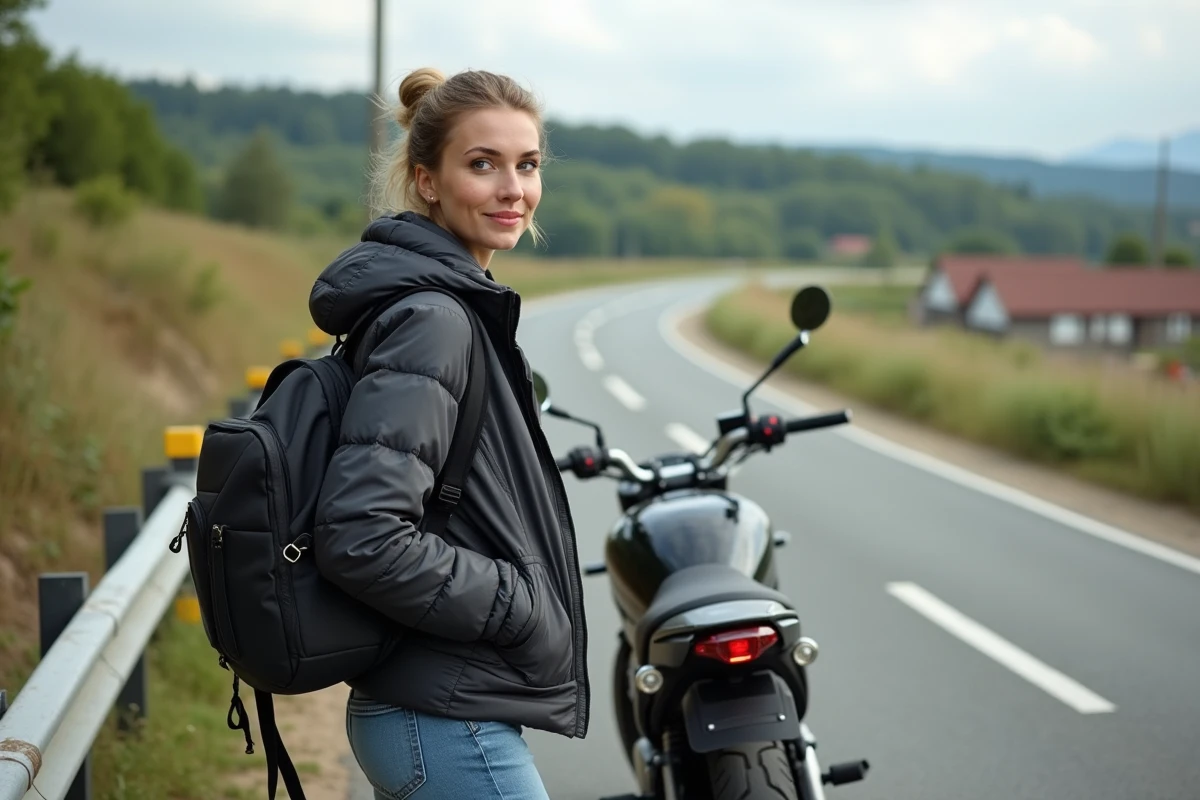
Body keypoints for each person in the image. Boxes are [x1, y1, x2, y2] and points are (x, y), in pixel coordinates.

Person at [308, 67, 589, 800]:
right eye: (482, 164)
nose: (512, 190)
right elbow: (363, 532)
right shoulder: (434, 320)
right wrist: (518, 603)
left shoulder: (450, 306)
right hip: (440, 715)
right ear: (427, 181)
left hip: (439, 706)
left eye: (527, 166)